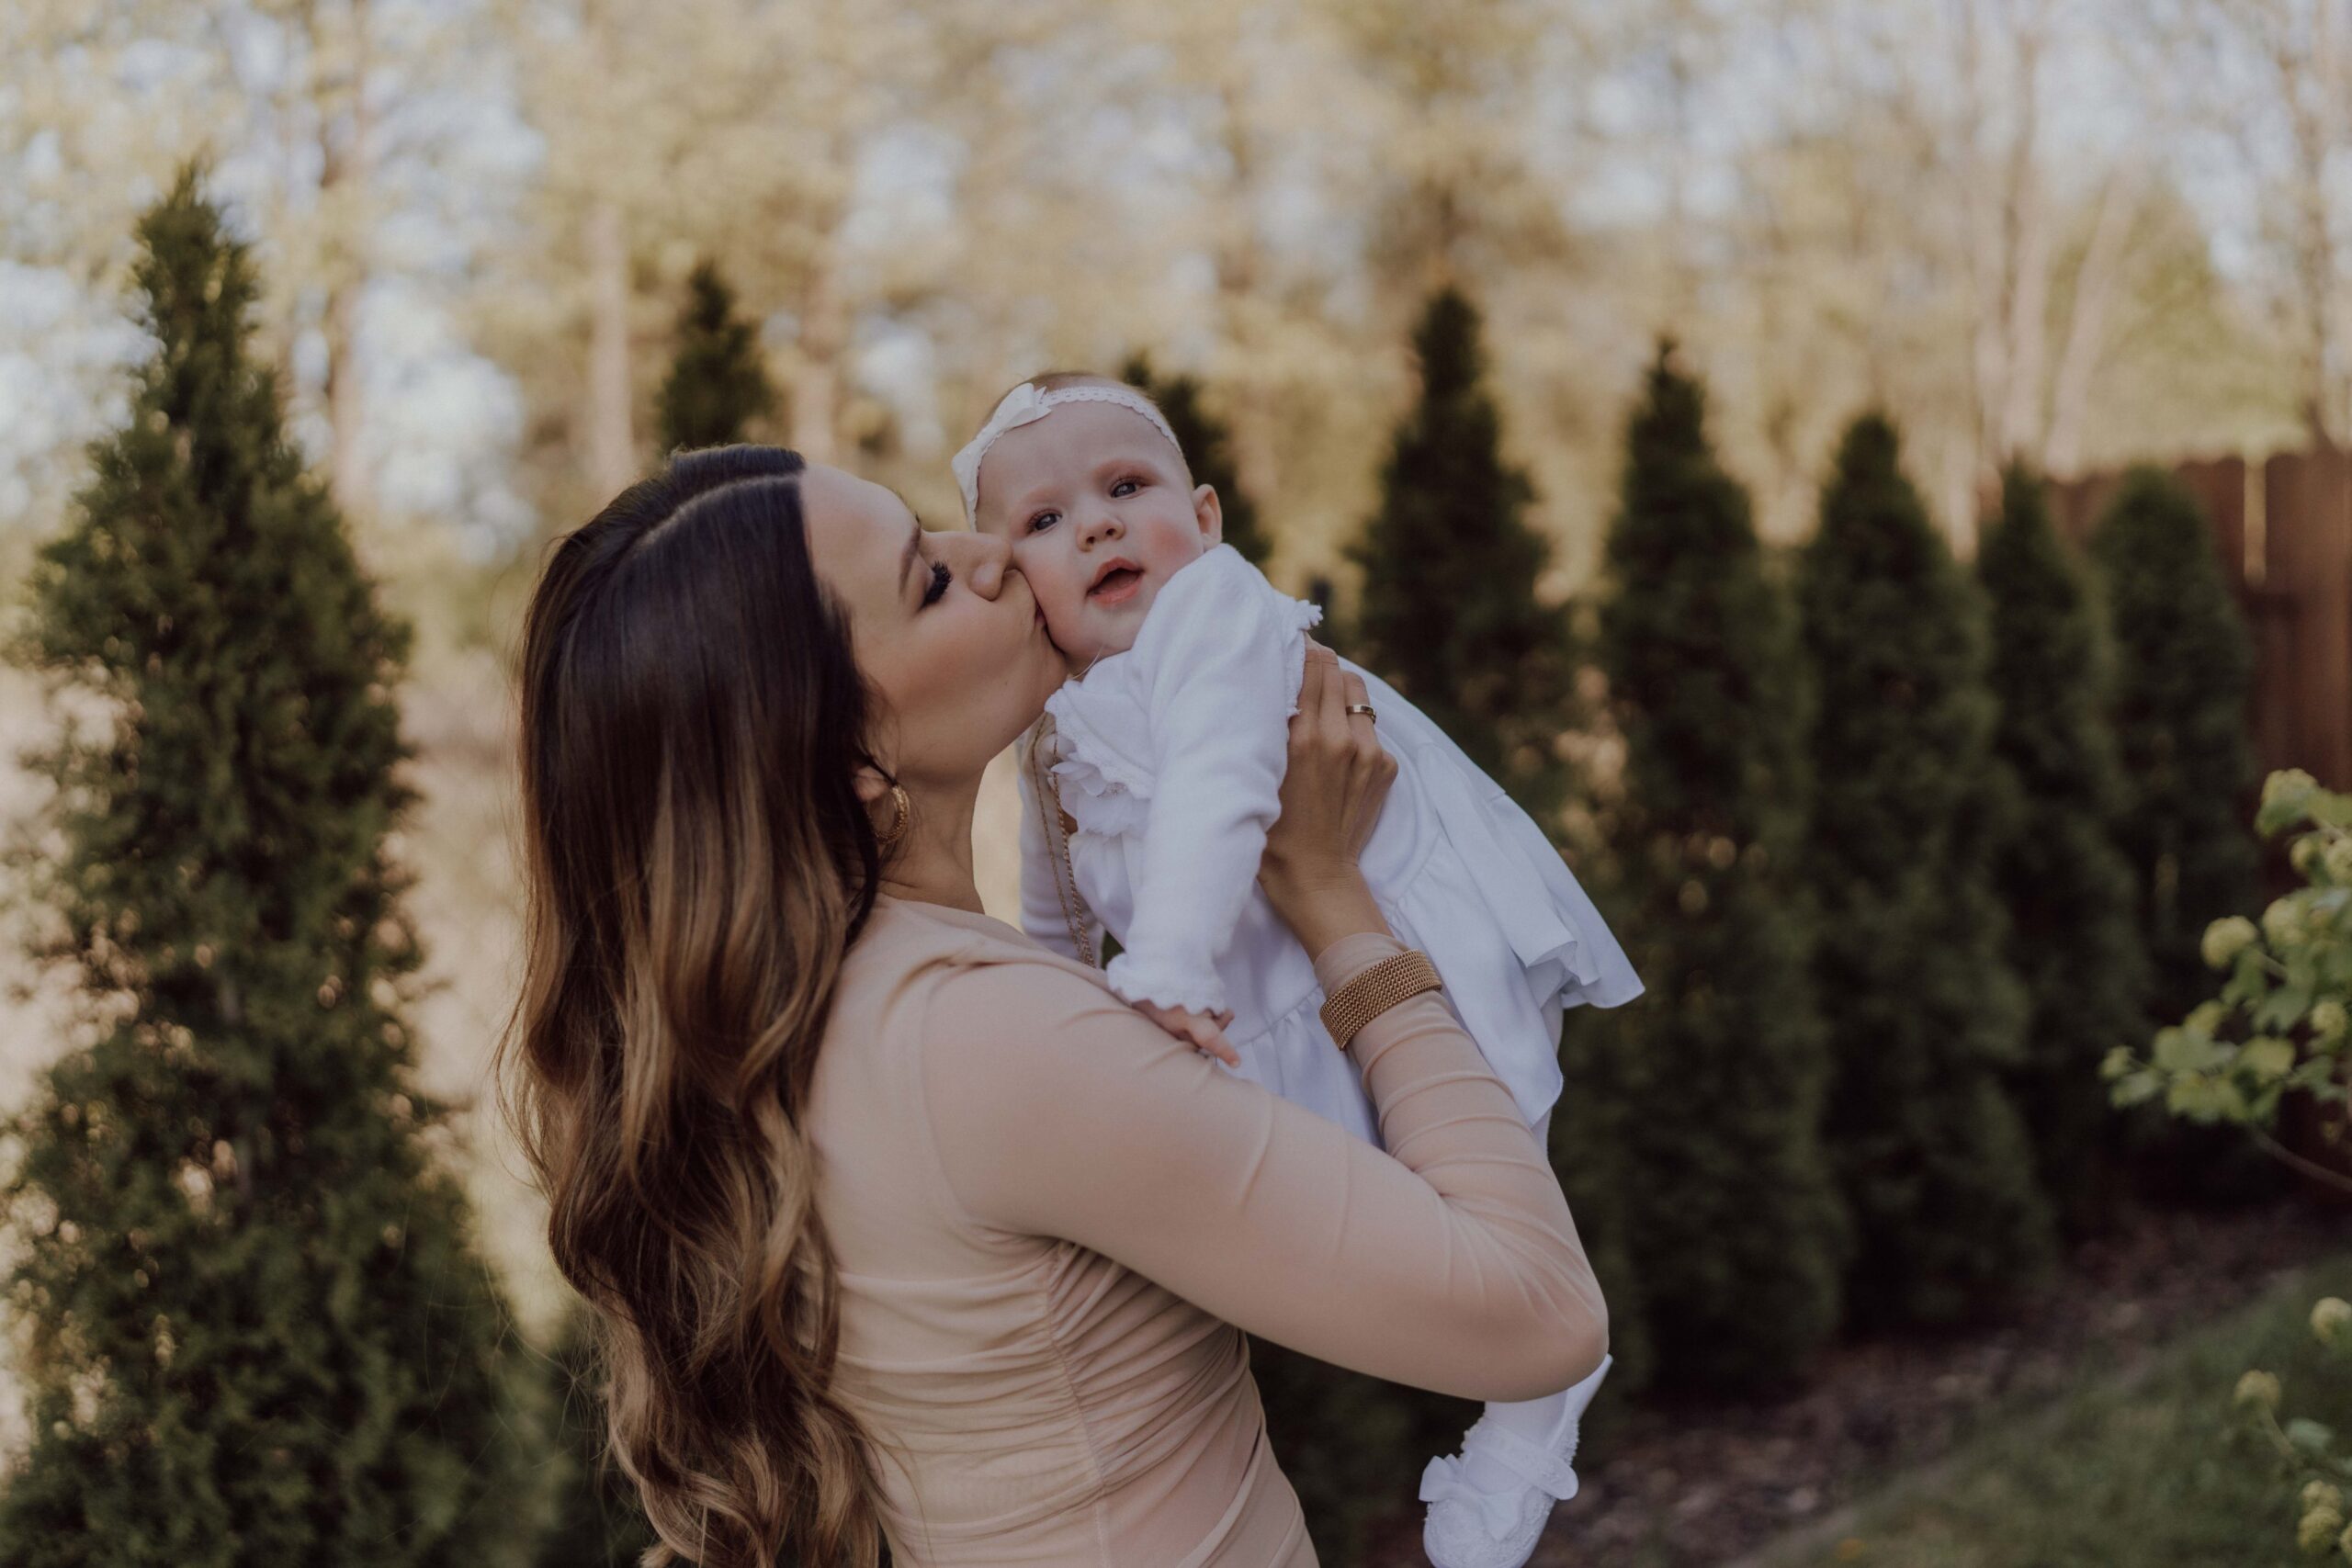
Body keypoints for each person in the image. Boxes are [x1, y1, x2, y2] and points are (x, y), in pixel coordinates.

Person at [499, 444, 1609, 1568]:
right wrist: (1332, 898)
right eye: (929, 580)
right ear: (849, 761)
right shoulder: (977, 1043)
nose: (991, 556)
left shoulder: (799, 1019)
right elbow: (1539, 1314)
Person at [957, 375, 1641, 1568]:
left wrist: (1167, 959)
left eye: (1127, 487)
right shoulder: (1060, 725)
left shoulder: (1212, 613)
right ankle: (1518, 1355)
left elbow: (1223, 778)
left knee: (1492, 1147)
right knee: (1386, 1228)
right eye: (1047, 519)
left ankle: (1540, 1401)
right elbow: (1053, 891)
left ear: (1205, 518)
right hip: (1267, 997)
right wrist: (1058, 1007)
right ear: (1019, 587)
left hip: (1406, 932)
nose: (1099, 525)